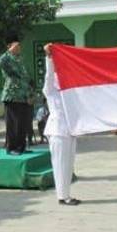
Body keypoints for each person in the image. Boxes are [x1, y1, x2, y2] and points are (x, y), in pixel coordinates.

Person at [42, 44, 80, 206]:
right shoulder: (51, 90)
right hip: (57, 130)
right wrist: (49, 59)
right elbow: (49, 77)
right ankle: (62, 196)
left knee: (68, 164)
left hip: (70, 129)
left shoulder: (70, 91)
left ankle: (66, 194)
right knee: (60, 164)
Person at [0, 35, 32, 155]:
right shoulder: (6, 59)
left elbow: (25, 78)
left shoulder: (19, 60)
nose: (19, 47)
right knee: (13, 124)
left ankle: (21, 147)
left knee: (22, 123)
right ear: (10, 46)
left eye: (19, 45)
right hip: (11, 96)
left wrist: (30, 94)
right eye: (16, 45)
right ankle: (11, 148)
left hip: (23, 96)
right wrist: (8, 51)